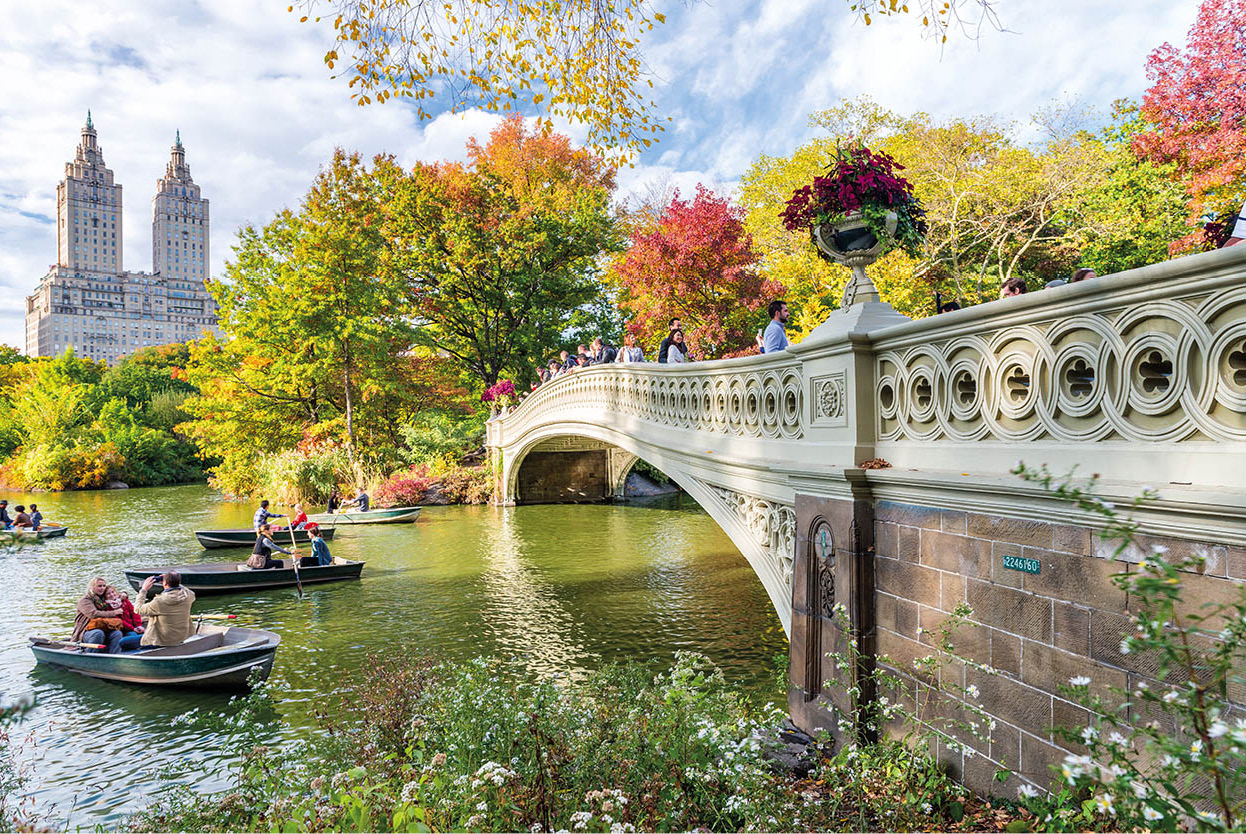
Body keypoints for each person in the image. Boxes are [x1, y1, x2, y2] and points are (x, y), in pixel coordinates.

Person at [134, 571, 195, 648]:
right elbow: (186, 589)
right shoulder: (188, 595)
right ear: (179, 582)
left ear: (165, 583)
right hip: (181, 636)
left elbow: (138, 609)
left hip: (162, 640)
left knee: (123, 642)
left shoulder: (159, 601)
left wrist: (143, 590)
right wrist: (172, 581)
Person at [73, 577, 125, 653]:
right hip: (86, 631)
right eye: (99, 586)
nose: (102, 588)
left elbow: (116, 594)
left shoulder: (103, 598)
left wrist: (124, 593)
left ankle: (115, 657)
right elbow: (93, 614)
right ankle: (89, 657)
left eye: (104, 586)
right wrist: (114, 612)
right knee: (98, 633)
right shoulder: (85, 600)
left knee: (117, 633)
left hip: (104, 628)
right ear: (92, 587)